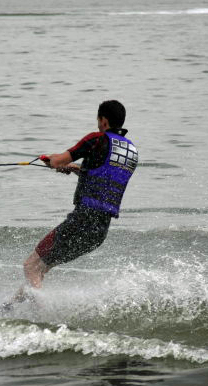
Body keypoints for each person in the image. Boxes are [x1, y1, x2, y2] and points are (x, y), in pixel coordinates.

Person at [19, 100, 139, 294]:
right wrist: (77, 169)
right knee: (39, 269)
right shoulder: (130, 151)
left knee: (30, 266)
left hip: (82, 220)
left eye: (99, 120)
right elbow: (103, 176)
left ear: (104, 120)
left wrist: (50, 160)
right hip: (99, 232)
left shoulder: (97, 139)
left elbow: (57, 160)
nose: (98, 124)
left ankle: (41, 315)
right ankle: (10, 309)